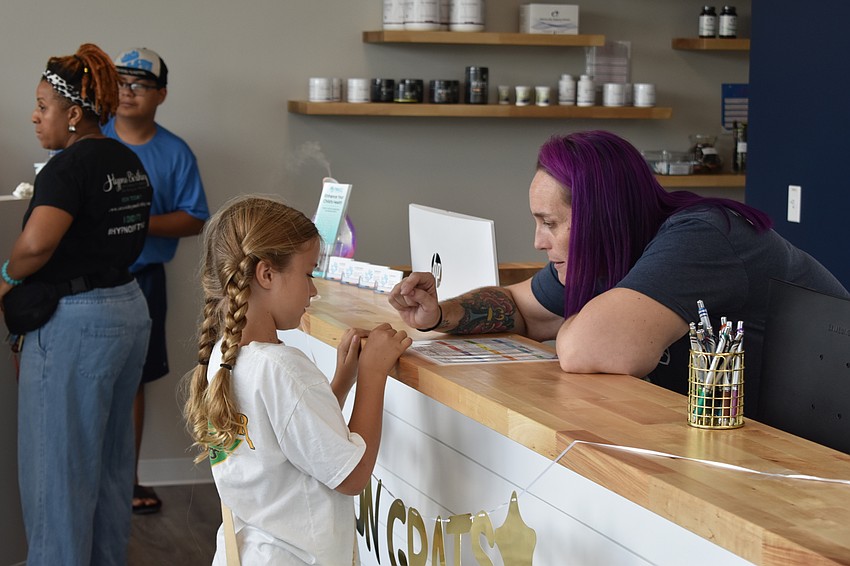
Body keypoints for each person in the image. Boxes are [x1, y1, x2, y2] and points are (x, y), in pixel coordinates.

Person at [389, 130, 849, 416]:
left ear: (598, 217)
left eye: (549, 223)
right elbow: (525, 310)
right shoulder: (614, 245)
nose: (538, 242)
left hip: (816, 450)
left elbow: (588, 348)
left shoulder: (702, 236)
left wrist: (577, 321)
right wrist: (440, 314)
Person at [183, 195, 411, 564]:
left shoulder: (223, 355)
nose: (314, 290)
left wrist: (342, 382)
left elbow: (293, 436)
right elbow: (351, 477)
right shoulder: (282, 368)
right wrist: (373, 376)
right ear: (267, 274)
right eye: (308, 273)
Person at [0, 43, 152, 564]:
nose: (35, 116)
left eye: (43, 106)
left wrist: (3, 276)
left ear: (72, 114)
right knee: (110, 469)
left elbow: (37, 245)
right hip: (128, 311)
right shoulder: (126, 160)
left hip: (78, 325)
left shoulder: (66, 169)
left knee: (57, 478)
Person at [102, 47, 210, 514]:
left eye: (140, 84)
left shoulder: (174, 151)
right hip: (86, 278)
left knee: (133, 381)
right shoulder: (92, 138)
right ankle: (86, 480)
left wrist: (136, 222)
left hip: (144, 277)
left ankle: (128, 480)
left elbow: (195, 217)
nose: (128, 92)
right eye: (121, 83)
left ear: (160, 94)